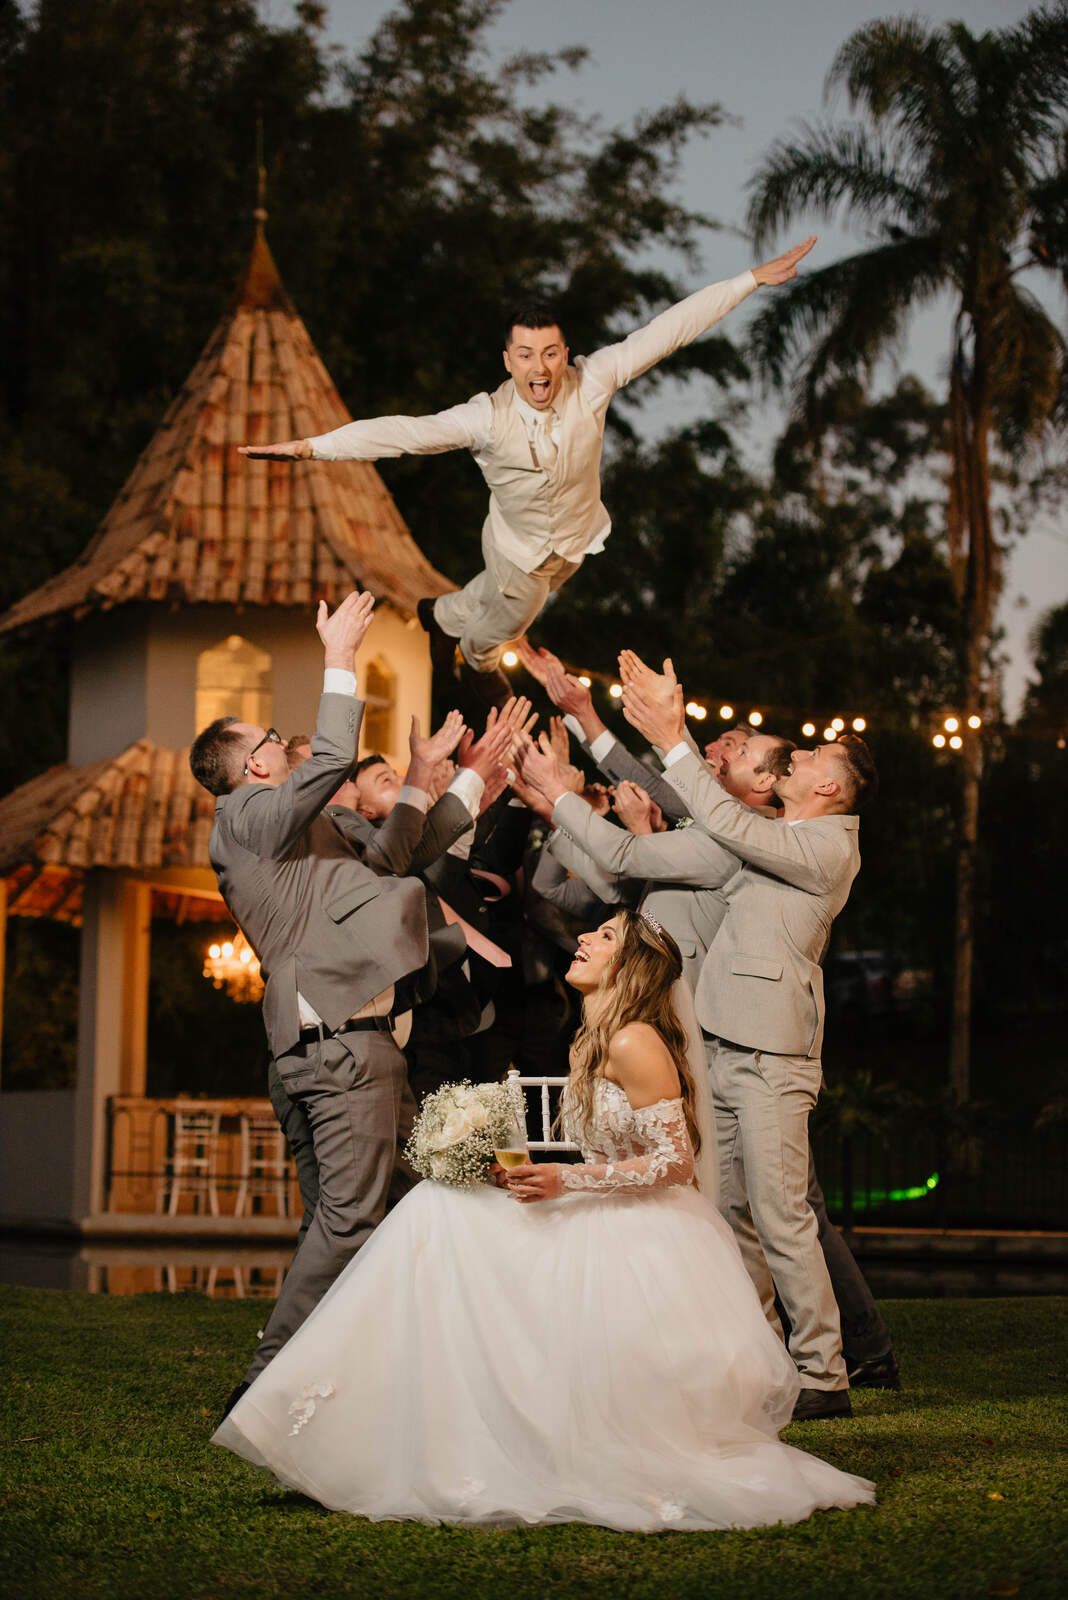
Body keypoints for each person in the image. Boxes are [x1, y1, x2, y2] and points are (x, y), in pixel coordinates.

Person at [213, 907, 874, 1530]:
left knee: (432, 1218)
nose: (585, 939)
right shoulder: (595, 1037)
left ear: (633, 967)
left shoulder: (636, 1040)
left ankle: (389, 1428)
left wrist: (565, 1180)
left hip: (635, 1236)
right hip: (594, 1210)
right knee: (436, 1209)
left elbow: (676, 1165)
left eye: (607, 937)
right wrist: (517, 1173)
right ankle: (386, 1421)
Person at [239, 240, 816, 700]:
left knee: (481, 594)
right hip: (520, 552)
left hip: (578, 538)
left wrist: (749, 281)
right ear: (508, 360)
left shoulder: (595, 379)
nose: (540, 368)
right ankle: (479, 664)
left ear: (565, 353)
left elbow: (667, 331)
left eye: (550, 353)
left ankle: (437, 617)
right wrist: (315, 446)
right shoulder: (483, 419)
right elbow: (401, 434)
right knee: (508, 620)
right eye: (526, 355)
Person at [189, 592, 511, 1410]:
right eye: (267, 740)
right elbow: (333, 757)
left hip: (350, 1047)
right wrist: (339, 656)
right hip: (338, 1047)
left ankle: (404, 1371)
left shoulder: (303, 836)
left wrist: (474, 780)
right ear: (253, 766)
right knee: (352, 1220)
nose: (278, 744)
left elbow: (399, 851)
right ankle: (268, 1384)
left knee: (400, 1208)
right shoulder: (248, 818)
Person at [617, 669, 878, 1420]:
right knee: (731, 1212)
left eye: (821, 754)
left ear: (834, 787)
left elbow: (730, 828)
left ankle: (824, 1375)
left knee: (782, 1213)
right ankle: (764, 1360)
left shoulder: (828, 846)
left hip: (773, 1057)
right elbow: (715, 846)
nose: (803, 754)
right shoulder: (784, 838)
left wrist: (674, 741)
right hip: (727, 1047)